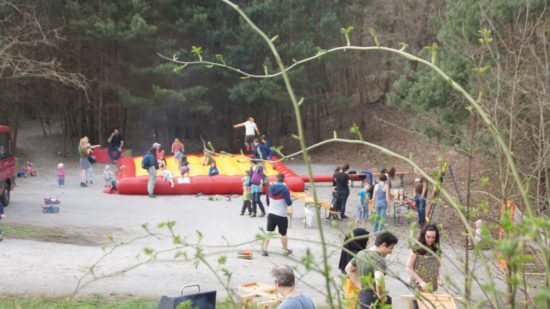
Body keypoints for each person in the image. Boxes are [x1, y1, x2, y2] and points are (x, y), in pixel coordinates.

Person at [345, 231, 399, 309]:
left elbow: (348, 269)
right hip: (374, 300)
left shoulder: (361, 253)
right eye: (390, 248)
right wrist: (382, 296)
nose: (391, 252)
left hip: (362, 297)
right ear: (383, 245)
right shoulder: (379, 260)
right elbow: (379, 280)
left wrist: (360, 286)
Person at [406, 224, 444, 308]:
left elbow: (439, 265)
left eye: (433, 237)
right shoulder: (416, 248)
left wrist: (440, 278)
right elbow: (409, 267)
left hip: (431, 286)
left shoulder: (437, 249)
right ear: (423, 235)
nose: (431, 240)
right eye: (428, 237)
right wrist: (420, 281)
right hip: (417, 286)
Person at [262, 173, 293, 256]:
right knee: (283, 234)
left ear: (276, 178)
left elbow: (267, 202)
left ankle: (264, 250)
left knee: (269, 232)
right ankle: (285, 250)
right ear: (284, 179)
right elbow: (289, 203)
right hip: (281, 215)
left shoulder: (270, 188)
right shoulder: (285, 189)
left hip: (271, 214)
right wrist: (291, 199)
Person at [338, 228, 370, 309]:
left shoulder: (349, 252)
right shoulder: (357, 256)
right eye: (366, 241)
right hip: (356, 289)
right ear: (360, 242)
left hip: (349, 287)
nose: (367, 243)